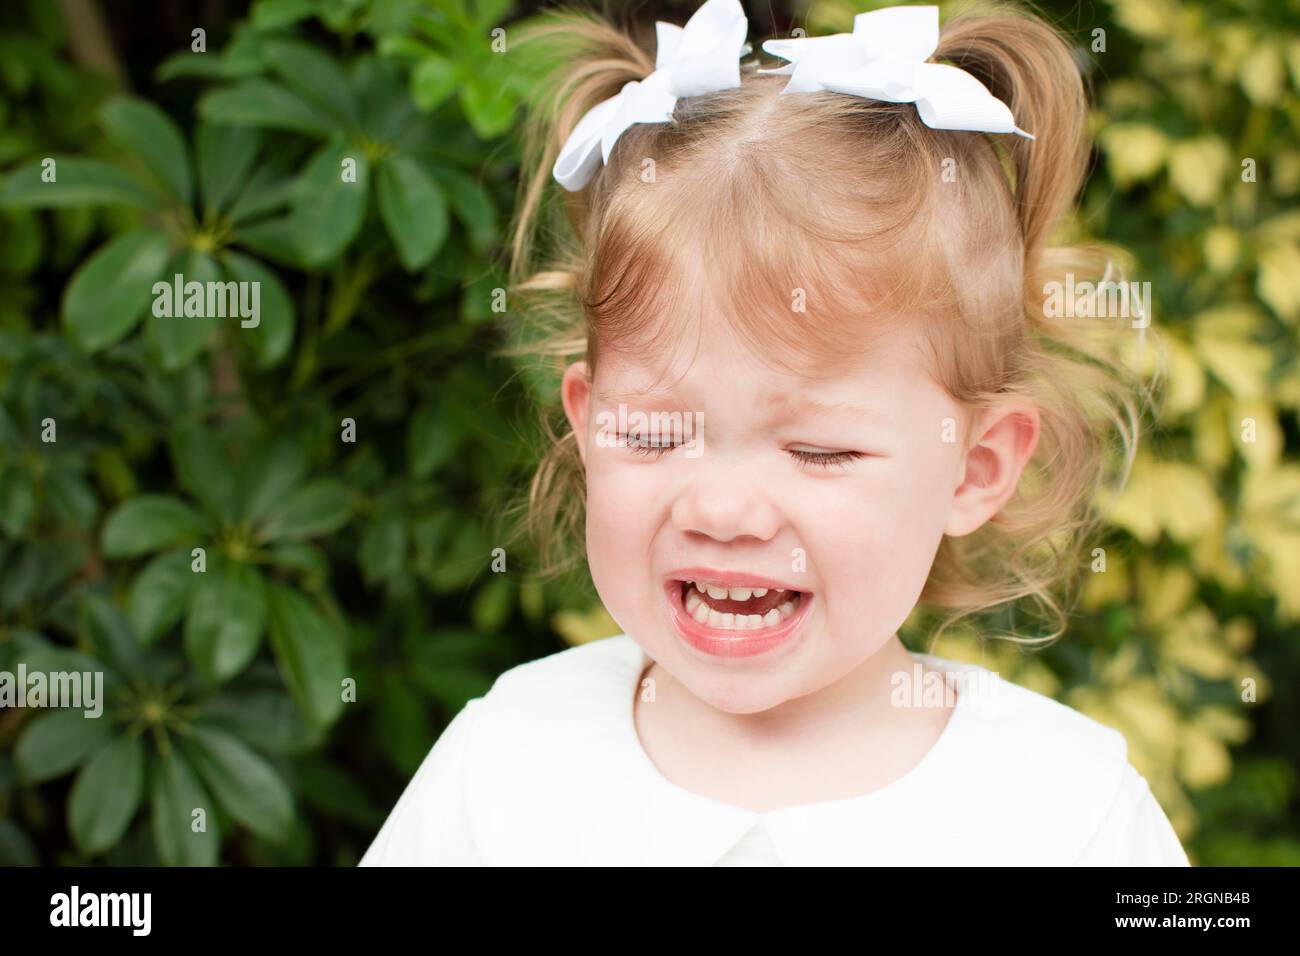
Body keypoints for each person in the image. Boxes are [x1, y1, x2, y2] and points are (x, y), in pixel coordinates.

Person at [360, 0, 1188, 866]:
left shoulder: (1067, 809)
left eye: (819, 450)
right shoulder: (507, 761)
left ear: (973, 469)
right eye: (651, 434)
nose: (722, 507)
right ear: (587, 425)